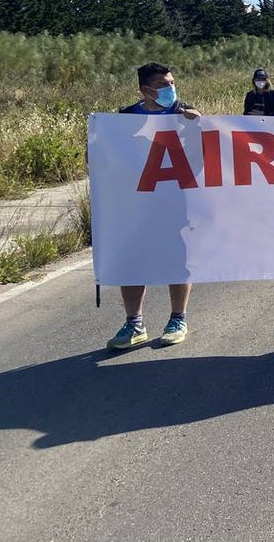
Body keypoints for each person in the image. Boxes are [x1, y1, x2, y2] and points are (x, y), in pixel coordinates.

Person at [107, 62, 201, 350]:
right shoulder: (124, 118)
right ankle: (134, 323)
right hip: (135, 204)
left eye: (172, 82)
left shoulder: (183, 114)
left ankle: (178, 319)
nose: (170, 88)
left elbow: (203, 155)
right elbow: (101, 156)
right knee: (132, 263)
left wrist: (198, 126)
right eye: (163, 84)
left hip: (175, 201)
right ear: (145, 90)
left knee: (177, 260)